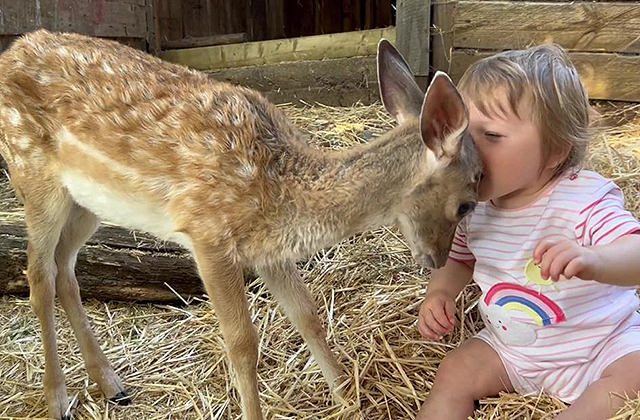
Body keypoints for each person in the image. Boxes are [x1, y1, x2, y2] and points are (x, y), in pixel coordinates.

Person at [416, 44, 640, 420]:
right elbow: (458, 260)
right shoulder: (473, 206)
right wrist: (439, 292)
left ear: (554, 151)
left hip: (602, 345)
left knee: (633, 375)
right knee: (454, 371)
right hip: (512, 349)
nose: (467, 149)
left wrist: (595, 260)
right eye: (464, 132)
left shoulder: (583, 197)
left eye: (491, 135)